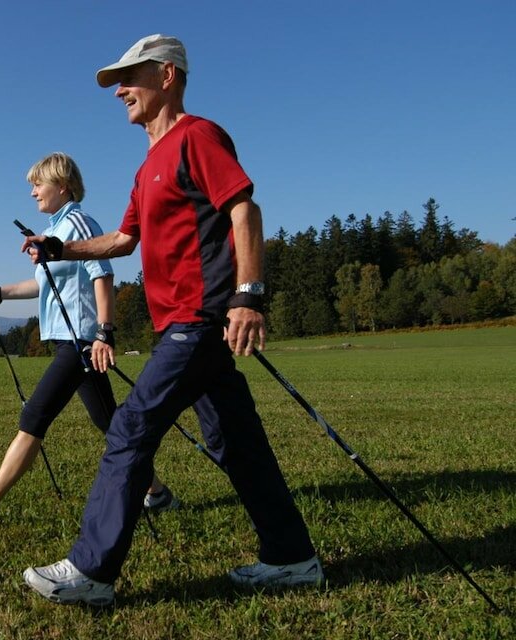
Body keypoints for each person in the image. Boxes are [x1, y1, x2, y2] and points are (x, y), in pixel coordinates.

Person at [21, 35, 322, 606]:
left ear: (166, 75)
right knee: (236, 442)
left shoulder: (197, 136)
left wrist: (248, 295)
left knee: (130, 429)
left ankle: (91, 571)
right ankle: (292, 557)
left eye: (129, 79)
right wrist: (58, 249)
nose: (120, 93)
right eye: (116, 84)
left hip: (201, 320)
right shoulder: (147, 166)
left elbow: (244, 208)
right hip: (181, 325)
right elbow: (123, 240)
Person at [0, 152, 180, 529]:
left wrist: (104, 333)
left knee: (35, 415)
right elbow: (44, 284)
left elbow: (103, 274)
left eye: (39, 184)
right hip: (75, 340)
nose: (33, 192)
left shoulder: (79, 224)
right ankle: (157, 493)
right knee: (110, 422)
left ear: (62, 186)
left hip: (81, 341)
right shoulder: (58, 230)